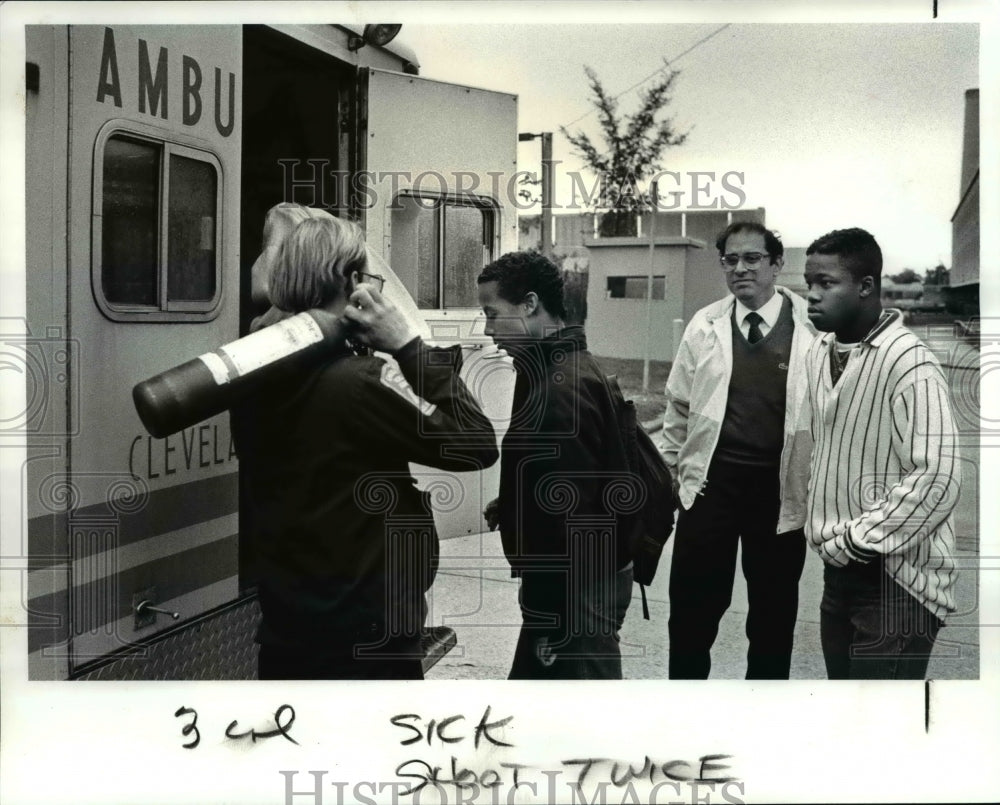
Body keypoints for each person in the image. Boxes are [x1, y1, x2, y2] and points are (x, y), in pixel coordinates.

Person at [231, 216, 498, 679]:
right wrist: (409, 347)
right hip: (367, 643)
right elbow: (476, 443)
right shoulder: (361, 383)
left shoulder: (251, 373)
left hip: (287, 633)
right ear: (352, 282)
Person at [661, 221, 816, 679]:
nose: (741, 269)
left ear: (776, 263)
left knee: (772, 617)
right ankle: (686, 711)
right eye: (731, 260)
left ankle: (760, 717)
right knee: (691, 613)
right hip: (712, 488)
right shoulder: (705, 324)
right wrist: (672, 469)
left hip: (779, 492)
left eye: (752, 259)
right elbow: (679, 405)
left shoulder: (811, 327)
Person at [802, 227, 959, 679]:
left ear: (866, 287)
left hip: (897, 581)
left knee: (882, 730)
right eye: (809, 283)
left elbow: (939, 477)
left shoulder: (910, 361)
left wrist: (858, 540)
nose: (812, 295)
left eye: (826, 284)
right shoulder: (820, 351)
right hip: (840, 575)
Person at [478, 251, 634, 679]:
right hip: (579, 587)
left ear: (530, 304)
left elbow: (574, 520)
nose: (489, 331)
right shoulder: (555, 370)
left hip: (575, 593)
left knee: (582, 716)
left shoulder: (560, 388)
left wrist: (547, 615)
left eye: (493, 315)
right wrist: (515, 503)